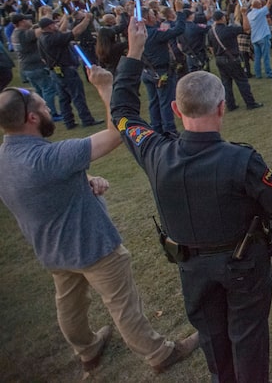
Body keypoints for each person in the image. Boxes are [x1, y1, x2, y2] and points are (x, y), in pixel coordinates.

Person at [111, 18, 272, 383]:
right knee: (248, 337)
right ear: (222, 108)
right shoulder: (242, 160)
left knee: (213, 340)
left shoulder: (156, 153)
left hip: (191, 267)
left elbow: (123, 115)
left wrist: (133, 52)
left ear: (176, 111)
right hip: (243, 267)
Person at [0, 72, 199, 375]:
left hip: (52, 251)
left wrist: (88, 179)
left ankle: (87, 350)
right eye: (43, 107)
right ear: (31, 118)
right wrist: (106, 88)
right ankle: (159, 354)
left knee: (69, 304)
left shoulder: (6, 158)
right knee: (123, 306)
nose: (48, 110)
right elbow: (115, 134)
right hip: (93, 247)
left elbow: (39, 188)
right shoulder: (51, 157)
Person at [37, 14, 104, 130]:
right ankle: (86, 119)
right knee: (77, 96)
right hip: (66, 70)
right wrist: (86, 19)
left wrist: (65, 19)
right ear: (49, 27)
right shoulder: (52, 39)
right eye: (53, 24)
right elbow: (75, 32)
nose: (56, 25)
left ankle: (69, 122)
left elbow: (43, 57)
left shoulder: (42, 39)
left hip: (55, 71)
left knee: (64, 98)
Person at [139, 0, 186, 136]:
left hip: (147, 71)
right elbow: (179, 29)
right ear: (147, 18)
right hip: (160, 71)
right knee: (165, 101)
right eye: (153, 15)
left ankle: (156, 127)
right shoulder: (154, 33)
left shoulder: (138, 33)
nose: (156, 17)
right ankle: (169, 129)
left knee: (153, 101)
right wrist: (179, 11)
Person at [207, 9, 263, 111]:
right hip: (232, 59)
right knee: (242, 81)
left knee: (226, 83)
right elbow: (246, 28)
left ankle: (230, 105)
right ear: (222, 18)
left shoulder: (211, 32)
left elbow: (210, 47)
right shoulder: (229, 29)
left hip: (219, 60)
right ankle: (250, 103)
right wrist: (244, 15)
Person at [10, 13, 61, 119]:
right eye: (27, 20)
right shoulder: (23, 34)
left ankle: (42, 112)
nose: (30, 21)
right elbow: (42, 30)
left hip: (27, 68)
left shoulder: (14, 34)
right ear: (22, 22)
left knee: (39, 91)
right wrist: (48, 21)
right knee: (49, 89)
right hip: (36, 67)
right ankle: (51, 113)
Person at [246, 0, 272, 78]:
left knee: (257, 58)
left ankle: (258, 74)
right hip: (263, 36)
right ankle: (269, 73)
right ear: (259, 6)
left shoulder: (249, 15)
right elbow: (269, 3)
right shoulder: (260, 12)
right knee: (266, 57)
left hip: (254, 38)